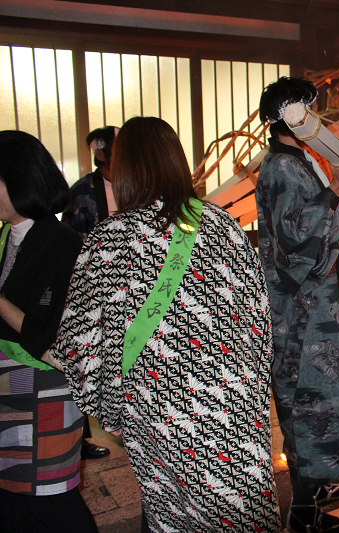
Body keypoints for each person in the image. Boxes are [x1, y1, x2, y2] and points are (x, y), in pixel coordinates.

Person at [50, 117, 280, 531]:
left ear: (124, 170)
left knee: (176, 515)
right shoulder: (224, 226)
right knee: (240, 512)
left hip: (161, 416)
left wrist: (112, 412)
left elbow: (78, 344)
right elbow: (261, 320)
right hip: (233, 409)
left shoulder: (110, 241)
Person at [256, 77, 339, 533]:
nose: (317, 116)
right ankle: (303, 515)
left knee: (320, 405)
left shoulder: (302, 159)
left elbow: (331, 219)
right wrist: (338, 190)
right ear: (290, 115)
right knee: (308, 409)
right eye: (310, 108)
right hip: (302, 317)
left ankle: (313, 505)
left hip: (318, 307)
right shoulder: (281, 168)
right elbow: (298, 239)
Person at [0, 131, 97, 532]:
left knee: (50, 498)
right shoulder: (8, 236)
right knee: (14, 500)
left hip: (44, 393)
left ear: (21, 181)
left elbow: (48, 333)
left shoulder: (60, 242)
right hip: (12, 390)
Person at [62, 126, 119, 460]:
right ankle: (80, 437)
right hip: (94, 288)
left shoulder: (136, 183)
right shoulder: (82, 190)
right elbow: (71, 240)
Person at [62, 126, 119, 240]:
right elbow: (72, 240)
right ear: (100, 155)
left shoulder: (142, 186)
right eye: (119, 150)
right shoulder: (81, 191)